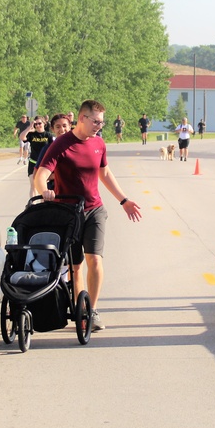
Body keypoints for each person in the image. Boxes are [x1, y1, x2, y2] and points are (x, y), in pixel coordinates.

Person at [33, 100, 142, 330]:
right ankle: (78, 308)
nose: (99, 126)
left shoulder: (99, 144)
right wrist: (45, 191)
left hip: (94, 210)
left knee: (94, 258)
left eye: (101, 122)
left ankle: (91, 311)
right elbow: (41, 175)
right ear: (82, 118)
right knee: (75, 266)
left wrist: (123, 200)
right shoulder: (61, 145)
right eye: (96, 121)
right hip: (68, 213)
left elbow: (104, 173)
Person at [31, 113, 71, 194]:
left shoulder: (78, 145)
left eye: (64, 126)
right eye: (58, 127)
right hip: (55, 193)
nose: (62, 130)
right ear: (52, 129)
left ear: (70, 126)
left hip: (77, 194)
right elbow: (36, 175)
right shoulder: (48, 148)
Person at [21, 116, 52, 194]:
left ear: (44, 124)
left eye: (39, 123)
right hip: (33, 162)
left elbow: (53, 148)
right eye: (36, 124)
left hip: (44, 164)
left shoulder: (48, 135)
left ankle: (43, 204)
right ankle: (33, 205)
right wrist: (29, 127)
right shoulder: (32, 135)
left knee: (43, 187)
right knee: (33, 185)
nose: (37, 125)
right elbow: (22, 137)